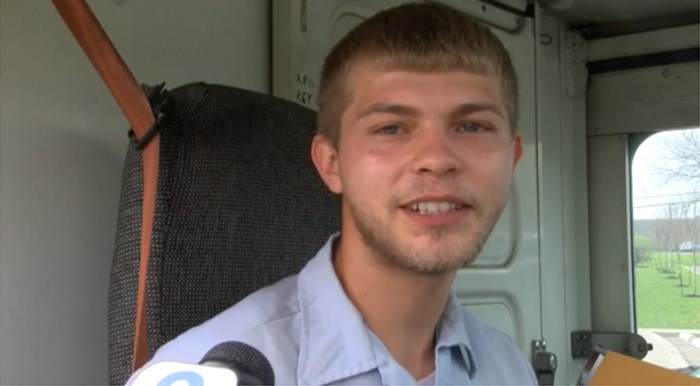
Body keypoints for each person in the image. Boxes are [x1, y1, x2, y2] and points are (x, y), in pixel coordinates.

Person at [128, 2, 537, 385]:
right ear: (331, 164)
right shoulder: (202, 371)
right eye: (390, 128)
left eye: (472, 127)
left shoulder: (509, 367)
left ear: (512, 158)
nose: (436, 159)